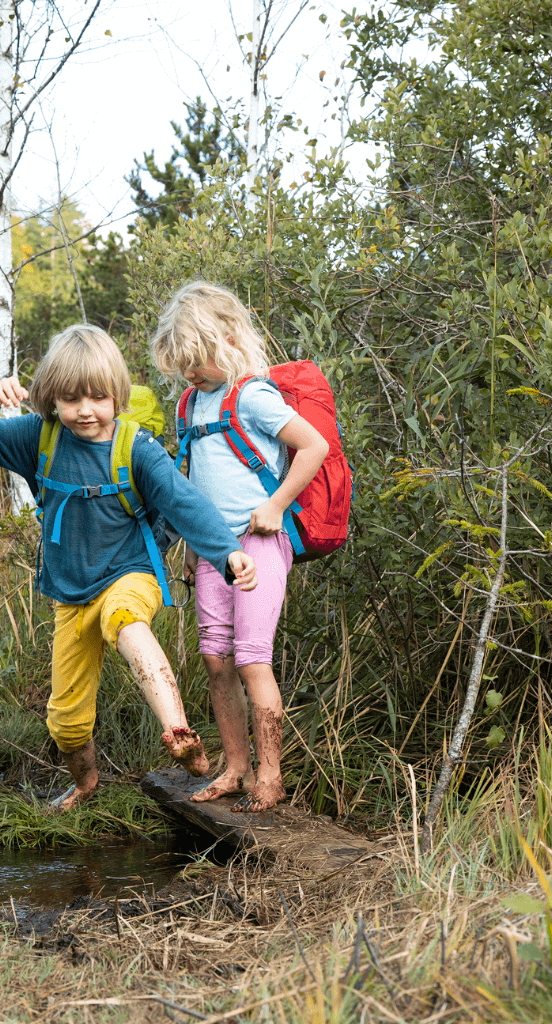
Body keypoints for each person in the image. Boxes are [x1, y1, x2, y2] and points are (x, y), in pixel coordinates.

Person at [0, 324, 257, 811]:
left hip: (132, 573)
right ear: (51, 397)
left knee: (124, 619)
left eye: (97, 397)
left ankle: (178, 732)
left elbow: (184, 502)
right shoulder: (38, 438)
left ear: (118, 395)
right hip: (70, 594)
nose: (85, 410)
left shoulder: (136, 448)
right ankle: (87, 784)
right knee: (66, 720)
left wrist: (226, 551)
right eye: (71, 399)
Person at [151, 282, 329, 812]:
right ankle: (235, 767)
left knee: (253, 659)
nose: (190, 373)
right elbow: (191, 484)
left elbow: (313, 446)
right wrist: (189, 543)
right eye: (181, 365)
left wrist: (275, 505)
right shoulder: (189, 404)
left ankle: (270, 778)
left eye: (196, 360)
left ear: (227, 339)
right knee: (215, 659)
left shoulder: (251, 394)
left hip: (259, 542)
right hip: (212, 552)